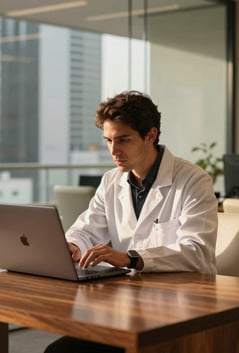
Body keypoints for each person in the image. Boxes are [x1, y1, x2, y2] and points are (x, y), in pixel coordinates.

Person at [44, 90, 218, 353]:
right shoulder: (111, 181)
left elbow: (197, 252)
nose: (114, 150)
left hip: (182, 309)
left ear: (151, 135)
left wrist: (131, 258)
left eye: (123, 139)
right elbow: (87, 228)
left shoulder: (193, 180)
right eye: (108, 140)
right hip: (128, 307)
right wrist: (73, 245)